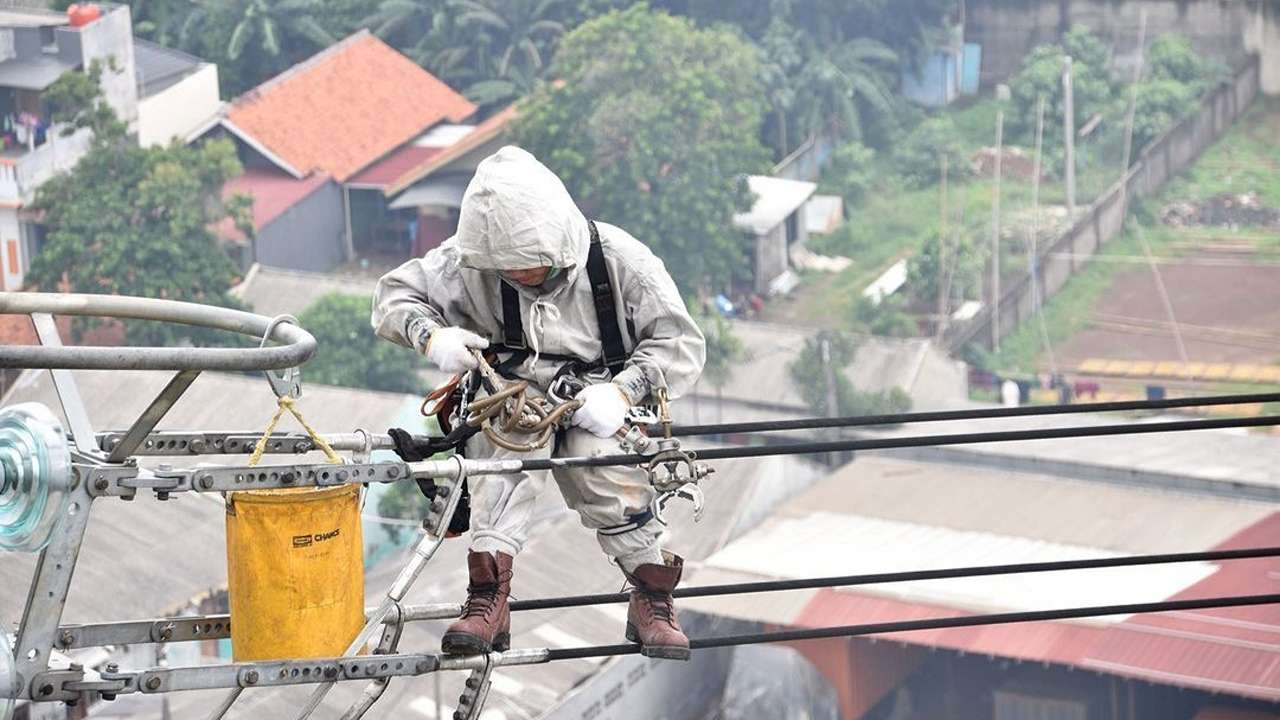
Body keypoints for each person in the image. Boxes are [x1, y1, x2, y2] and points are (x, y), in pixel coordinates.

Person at [371, 146, 706, 660]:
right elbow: (395, 297)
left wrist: (624, 391)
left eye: (534, 269)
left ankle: (651, 599)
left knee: (604, 469)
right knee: (500, 470)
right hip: (510, 396)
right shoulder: (469, 262)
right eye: (512, 272)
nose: (524, 279)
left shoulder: (619, 261)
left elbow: (677, 342)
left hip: (596, 395)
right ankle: (488, 600)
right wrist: (432, 337)